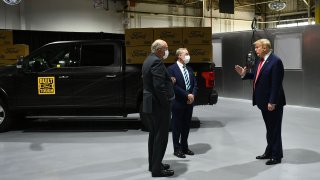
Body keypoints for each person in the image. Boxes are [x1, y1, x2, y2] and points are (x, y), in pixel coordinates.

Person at [235, 38, 286, 165]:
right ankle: (270, 151)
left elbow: (276, 84)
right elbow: (257, 76)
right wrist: (244, 74)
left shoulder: (276, 61)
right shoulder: (261, 60)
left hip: (272, 103)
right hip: (263, 102)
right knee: (269, 128)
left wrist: (272, 102)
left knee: (274, 129)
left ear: (265, 48)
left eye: (257, 47)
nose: (255, 50)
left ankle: (276, 156)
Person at [142, 39, 175, 177]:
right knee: (161, 137)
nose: (167, 51)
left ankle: (154, 164)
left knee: (153, 135)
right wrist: (166, 102)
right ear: (159, 50)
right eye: (166, 48)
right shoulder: (157, 62)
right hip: (159, 105)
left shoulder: (148, 60)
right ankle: (157, 170)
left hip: (150, 103)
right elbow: (158, 86)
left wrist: (168, 80)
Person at [167, 48, 198, 158]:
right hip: (178, 102)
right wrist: (186, 95)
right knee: (177, 126)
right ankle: (177, 149)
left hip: (189, 102)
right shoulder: (171, 69)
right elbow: (173, 86)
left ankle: (185, 147)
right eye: (186, 54)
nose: (188, 56)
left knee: (186, 125)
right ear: (179, 55)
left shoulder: (189, 69)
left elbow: (195, 84)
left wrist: (193, 95)